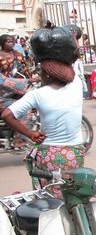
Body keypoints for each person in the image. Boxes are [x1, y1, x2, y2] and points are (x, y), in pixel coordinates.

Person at [1, 29, 84, 196]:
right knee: (70, 193)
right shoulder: (77, 85)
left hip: (49, 154)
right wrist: (73, 38)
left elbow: (6, 115)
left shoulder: (38, 94)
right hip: (75, 152)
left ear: (45, 74)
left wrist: (30, 134)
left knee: (48, 196)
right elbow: (74, 58)